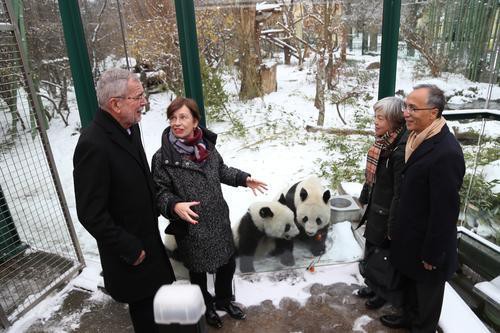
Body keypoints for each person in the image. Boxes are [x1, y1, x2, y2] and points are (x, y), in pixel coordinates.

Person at [73, 68, 175, 332]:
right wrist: (129, 248)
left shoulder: (129, 127)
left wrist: (167, 204)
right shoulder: (92, 145)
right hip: (131, 254)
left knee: (161, 307)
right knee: (147, 317)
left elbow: (139, 177)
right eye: (138, 97)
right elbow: (90, 212)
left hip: (148, 240)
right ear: (115, 104)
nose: (144, 102)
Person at [151, 97, 267, 329]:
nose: (176, 123)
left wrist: (243, 179)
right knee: (198, 271)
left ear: (195, 121)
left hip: (218, 220)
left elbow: (221, 170)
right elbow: (159, 192)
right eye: (173, 118)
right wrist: (174, 205)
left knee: (226, 264)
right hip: (192, 226)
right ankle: (206, 306)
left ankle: (224, 300)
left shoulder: (207, 146)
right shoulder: (162, 158)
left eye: (182, 117)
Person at [380, 84, 465, 332]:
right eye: (406, 105)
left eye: (413, 108)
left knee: (426, 296)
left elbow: (445, 211)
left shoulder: (446, 152)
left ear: (434, 112)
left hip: (429, 242)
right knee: (410, 286)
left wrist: (432, 253)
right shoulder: (416, 138)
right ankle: (406, 317)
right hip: (410, 235)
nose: (406, 112)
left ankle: (421, 328)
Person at [357, 96, 406, 309]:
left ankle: (381, 292)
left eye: (381, 118)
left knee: (382, 254)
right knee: (371, 248)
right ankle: (371, 284)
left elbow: (399, 189)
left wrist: (393, 222)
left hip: (386, 211)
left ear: (394, 121)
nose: (376, 122)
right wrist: (365, 195)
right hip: (376, 207)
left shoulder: (398, 149)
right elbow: (373, 176)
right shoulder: (382, 143)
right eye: (375, 117)